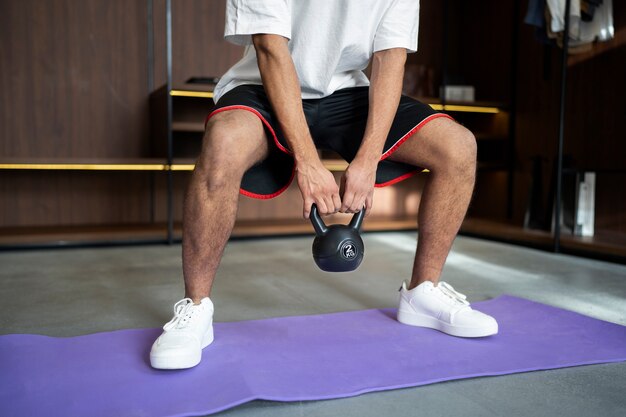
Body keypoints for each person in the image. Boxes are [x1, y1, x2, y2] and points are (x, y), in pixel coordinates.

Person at [150, 0, 498, 370]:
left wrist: (367, 160)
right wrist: (308, 162)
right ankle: (196, 309)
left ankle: (423, 293)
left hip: (348, 93)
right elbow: (269, 45)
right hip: (264, 85)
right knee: (223, 144)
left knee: (458, 147)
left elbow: (389, 58)